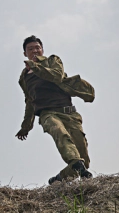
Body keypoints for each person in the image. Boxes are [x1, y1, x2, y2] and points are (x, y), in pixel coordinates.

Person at [15, 35, 95, 184]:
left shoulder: (53, 61)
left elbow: (56, 76)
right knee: (60, 133)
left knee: (83, 158)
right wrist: (25, 127)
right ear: (25, 53)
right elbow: (30, 101)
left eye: (37, 48)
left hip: (69, 112)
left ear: (42, 50)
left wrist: (36, 66)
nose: (34, 51)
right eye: (30, 49)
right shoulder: (24, 78)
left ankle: (59, 179)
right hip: (48, 114)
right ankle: (75, 163)